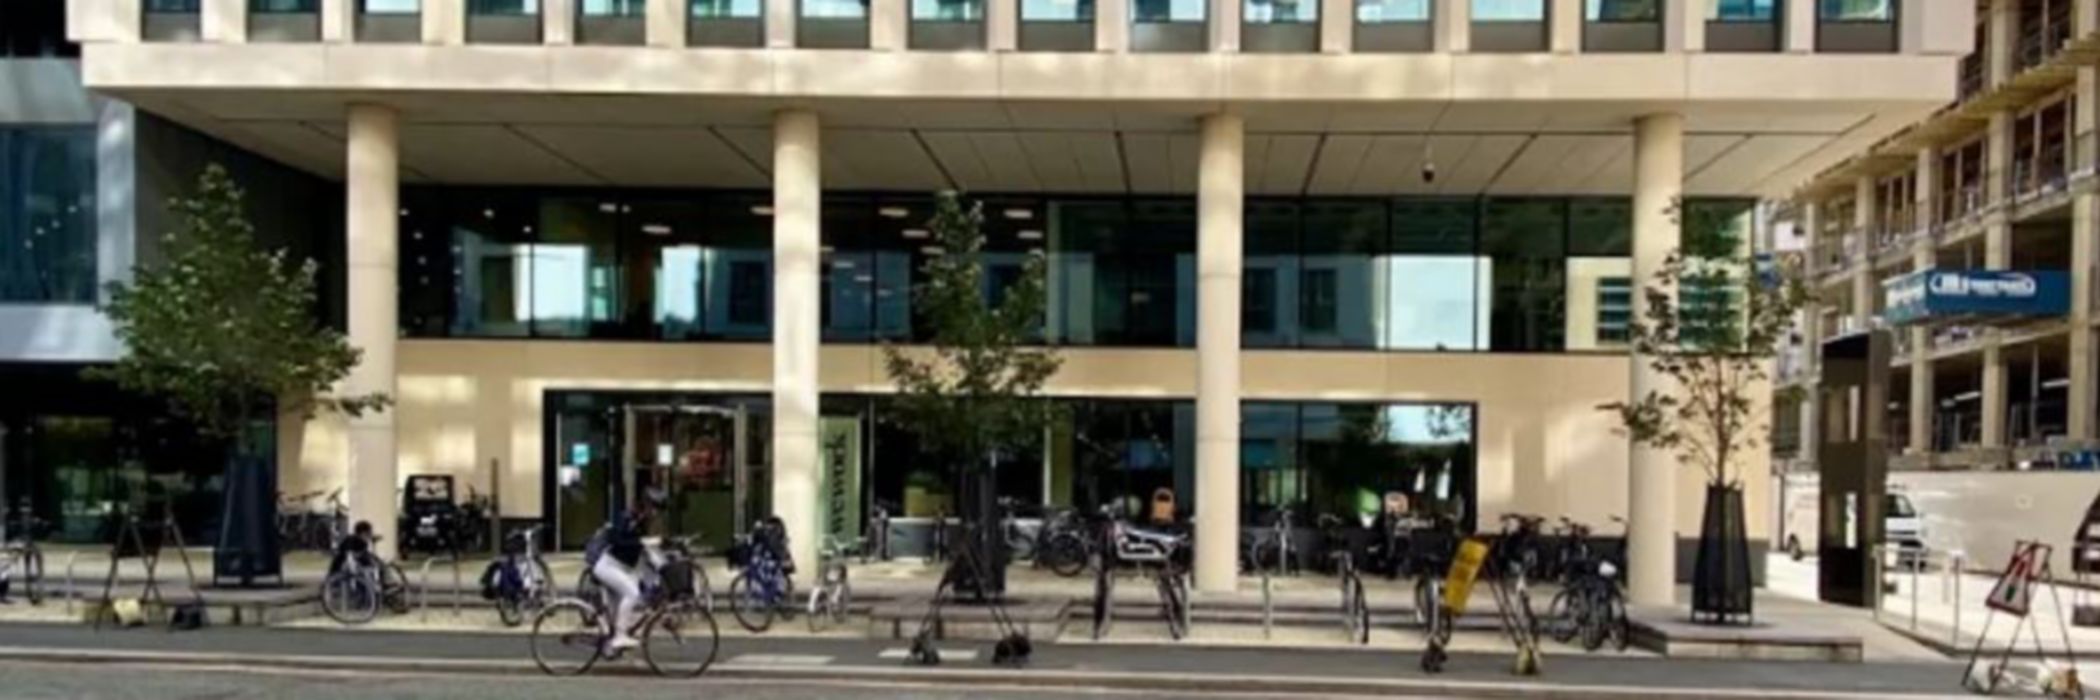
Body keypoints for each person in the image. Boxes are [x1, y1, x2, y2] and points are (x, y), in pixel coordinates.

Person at [588, 506, 661, 651]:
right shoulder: (626, 520)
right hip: (607, 567)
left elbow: (643, 550)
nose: (655, 513)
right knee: (632, 593)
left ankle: (611, 642)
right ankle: (620, 636)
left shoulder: (639, 524)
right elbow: (620, 541)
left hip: (619, 568)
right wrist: (643, 542)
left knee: (620, 607)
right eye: (653, 509)